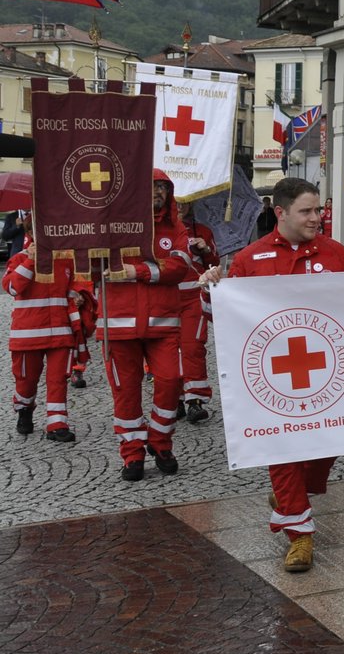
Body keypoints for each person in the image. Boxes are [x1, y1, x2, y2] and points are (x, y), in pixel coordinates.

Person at [216, 177, 344, 573]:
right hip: (276, 378)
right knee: (283, 450)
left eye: (319, 210)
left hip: (331, 373)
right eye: (307, 211)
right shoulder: (250, 259)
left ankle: (290, 496)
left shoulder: (337, 255)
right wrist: (213, 293)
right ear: (281, 213)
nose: (318, 217)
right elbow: (231, 320)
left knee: (325, 449)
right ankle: (299, 534)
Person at [102, 172, 192, 481]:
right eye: (151, 186)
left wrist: (135, 271)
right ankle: (132, 454)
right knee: (125, 394)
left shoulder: (175, 227)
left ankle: (159, 441)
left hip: (163, 325)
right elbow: (93, 260)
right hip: (118, 325)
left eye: (162, 187)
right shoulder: (110, 223)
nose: (157, 192)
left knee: (170, 381)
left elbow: (179, 267)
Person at [3, 213, 86, 442]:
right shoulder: (19, 259)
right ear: (31, 234)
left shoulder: (65, 260)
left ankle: (57, 423)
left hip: (60, 331)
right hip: (28, 334)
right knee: (26, 380)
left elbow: (73, 286)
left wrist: (78, 295)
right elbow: (11, 287)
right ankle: (24, 408)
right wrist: (31, 260)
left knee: (58, 378)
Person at [178, 202, 218, 424]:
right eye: (175, 200)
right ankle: (174, 398)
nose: (179, 206)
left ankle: (195, 401)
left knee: (193, 347)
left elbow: (214, 264)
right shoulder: (153, 230)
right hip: (163, 301)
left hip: (194, 299)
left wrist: (206, 251)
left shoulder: (202, 230)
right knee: (168, 351)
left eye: (185, 202)